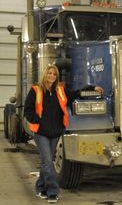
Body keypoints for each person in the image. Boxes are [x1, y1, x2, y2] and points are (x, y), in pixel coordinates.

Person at [24, 64, 103, 203]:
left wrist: (92, 88)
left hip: (55, 132)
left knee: (46, 162)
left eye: (54, 74)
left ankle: (40, 187)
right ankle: (52, 191)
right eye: (50, 73)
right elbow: (28, 111)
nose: (52, 76)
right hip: (41, 132)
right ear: (45, 74)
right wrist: (39, 121)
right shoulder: (35, 90)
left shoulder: (60, 90)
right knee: (48, 161)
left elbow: (75, 94)